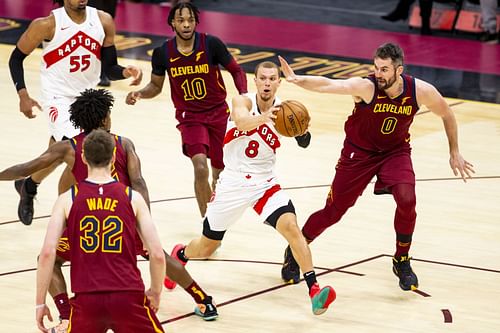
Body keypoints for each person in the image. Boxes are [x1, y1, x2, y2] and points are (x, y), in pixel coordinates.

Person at [0, 89, 218, 332]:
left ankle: (66, 314)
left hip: (88, 219)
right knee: (158, 255)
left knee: (48, 260)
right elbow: (139, 183)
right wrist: (142, 220)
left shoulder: (69, 147)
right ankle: (204, 299)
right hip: (124, 214)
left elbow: (25, 168)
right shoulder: (123, 143)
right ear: (105, 119)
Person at [278, 43, 475, 291]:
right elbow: (330, 85)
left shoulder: (420, 91)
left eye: (384, 69)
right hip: (358, 154)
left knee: (407, 199)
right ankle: (296, 249)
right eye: (376, 67)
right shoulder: (367, 87)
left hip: (395, 152)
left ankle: (401, 259)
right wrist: (297, 79)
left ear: (399, 70)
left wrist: (454, 151)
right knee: (334, 211)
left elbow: (447, 114)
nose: (378, 73)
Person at [164, 61, 336, 316]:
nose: (267, 83)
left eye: (272, 79)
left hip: (264, 183)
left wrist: (301, 132)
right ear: (255, 81)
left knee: (292, 228)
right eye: (263, 78)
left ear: (279, 82)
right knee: (207, 247)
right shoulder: (242, 101)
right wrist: (265, 118)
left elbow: (304, 141)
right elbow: (242, 122)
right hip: (232, 183)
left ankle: (314, 291)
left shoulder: (286, 111)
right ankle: (181, 254)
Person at [8, 0, 143, 226]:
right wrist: (23, 95)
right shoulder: (47, 24)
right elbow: (16, 58)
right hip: (58, 97)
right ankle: (67, 220)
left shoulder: (103, 21)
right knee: (79, 151)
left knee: (58, 151)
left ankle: (28, 185)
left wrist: (125, 71)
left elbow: (109, 68)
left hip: (88, 98)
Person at [35, 129, 166, 332]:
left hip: (86, 301)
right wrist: (156, 291)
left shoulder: (67, 199)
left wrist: (40, 303)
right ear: (113, 157)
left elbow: (46, 254)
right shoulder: (132, 198)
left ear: (83, 157)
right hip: (128, 297)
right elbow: (157, 254)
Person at [126, 2, 248, 217]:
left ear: (196, 22)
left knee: (220, 173)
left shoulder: (211, 44)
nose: (186, 24)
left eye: (190, 20)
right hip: (189, 117)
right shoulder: (163, 52)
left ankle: (217, 214)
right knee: (200, 166)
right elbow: (155, 86)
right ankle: (207, 221)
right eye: (181, 20)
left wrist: (244, 96)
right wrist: (140, 94)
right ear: (172, 22)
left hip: (218, 112)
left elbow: (236, 71)